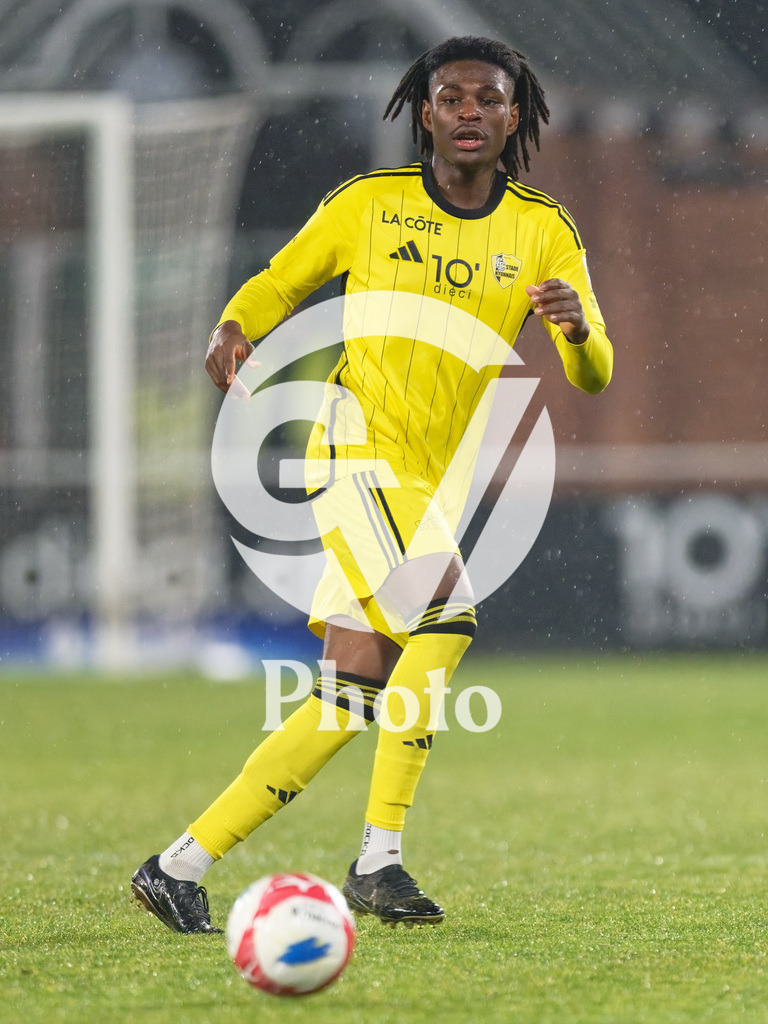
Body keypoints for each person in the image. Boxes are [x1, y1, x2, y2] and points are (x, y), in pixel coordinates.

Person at [131, 35, 613, 934]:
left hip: (431, 484)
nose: (470, 111)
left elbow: (595, 375)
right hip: (356, 453)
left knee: (348, 695)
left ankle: (178, 863)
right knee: (450, 614)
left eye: (489, 98)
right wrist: (231, 327)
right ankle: (379, 860)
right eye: (452, 97)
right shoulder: (370, 205)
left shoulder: (544, 229)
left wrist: (579, 330)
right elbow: (281, 280)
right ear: (423, 114)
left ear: (515, 116)